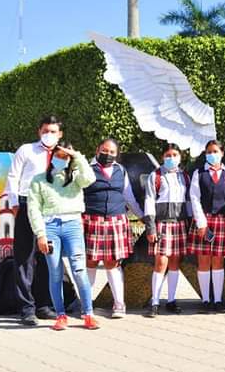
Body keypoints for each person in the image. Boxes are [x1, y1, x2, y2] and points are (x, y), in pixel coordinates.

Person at [26, 141, 99, 330]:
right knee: (55, 272)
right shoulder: (39, 179)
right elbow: (33, 209)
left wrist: (77, 156)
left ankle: (88, 314)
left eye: (65, 157)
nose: (61, 159)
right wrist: (40, 234)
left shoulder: (76, 178)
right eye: (58, 155)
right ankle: (60, 315)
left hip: (73, 225)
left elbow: (90, 178)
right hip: (50, 227)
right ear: (51, 157)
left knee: (79, 270)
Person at [4, 115, 63, 326]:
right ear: (39, 131)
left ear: (60, 134)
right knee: (25, 257)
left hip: (52, 208)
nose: (49, 134)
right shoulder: (26, 150)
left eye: (53, 131)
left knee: (49, 257)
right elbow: (12, 176)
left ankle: (44, 305)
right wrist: (14, 203)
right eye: (45, 130)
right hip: (28, 204)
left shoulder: (64, 154)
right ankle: (26, 308)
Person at [83, 138, 144, 318]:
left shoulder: (120, 170)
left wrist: (143, 217)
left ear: (117, 154)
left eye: (112, 152)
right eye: (105, 150)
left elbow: (129, 197)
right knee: (90, 263)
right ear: (97, 149)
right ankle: (86, 305)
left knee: (113, 264)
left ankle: (119, 304)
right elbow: (77, 195)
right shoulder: (86, 169)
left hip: (115, 221)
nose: (108, 154)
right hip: (92, 221)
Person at [143, 143, 191, 318]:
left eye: (175, 155)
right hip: (162, 224)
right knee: (160, 263)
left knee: (175, 263)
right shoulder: (155, 176)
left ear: (180, 156)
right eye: (168, 155)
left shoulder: (184, 176)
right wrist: (150, 226)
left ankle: (171, 300)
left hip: (179, 223)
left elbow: (189, 201)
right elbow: (149, 200)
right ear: (163, 156)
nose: (171, 158)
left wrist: (191, 221)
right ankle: (155, 301)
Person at [189, 140, 225, 313]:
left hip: (223, 220)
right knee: (203, 260)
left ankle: (217, 300)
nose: (212, 154)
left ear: (222, 153)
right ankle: (206, 300)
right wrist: (201, 223)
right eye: (209, 151)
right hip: (204, 221)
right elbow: (194, 198)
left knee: (218, 260)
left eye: (215, 151)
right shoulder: (199, 173)